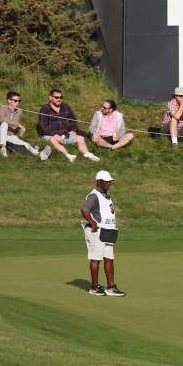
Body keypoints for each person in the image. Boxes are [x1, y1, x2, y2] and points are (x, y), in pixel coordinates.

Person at [79, 169, 125, 297]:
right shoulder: (94, 195)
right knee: (96, 259)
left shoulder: (107, 195)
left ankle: (111, 287)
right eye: (106, 182)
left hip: (108, 231)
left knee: (109, 259)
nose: (109, 184)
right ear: (99, 182)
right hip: (97, 231)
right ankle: (94, 287)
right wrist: (92, 222)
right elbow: (84, 210)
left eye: (110, 182)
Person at [38, 88, 98, 162]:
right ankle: (68, 155)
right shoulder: (45, 109)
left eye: (61, 97)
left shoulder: (66, 107)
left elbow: (73, 120)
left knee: (80, 138)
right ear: (50, 98)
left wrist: (73, 130)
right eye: (56, 97)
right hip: (50, 135)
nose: (59, 99)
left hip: (65, 135)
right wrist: (55, 135)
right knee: (53, 140)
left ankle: (88, 154)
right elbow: (43, 126)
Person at [0, 91, 50, 159]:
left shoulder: (19, 111)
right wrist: (18, 125)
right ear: (9, 100)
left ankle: (40, 154)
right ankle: (3, 148)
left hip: (10, 135)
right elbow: (1, 119)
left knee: (25, 144)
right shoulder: (3, 107)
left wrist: (20, 131)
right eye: (15, 100)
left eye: (19, 101)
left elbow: (14, 127)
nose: (17, 102)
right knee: (4, 124)